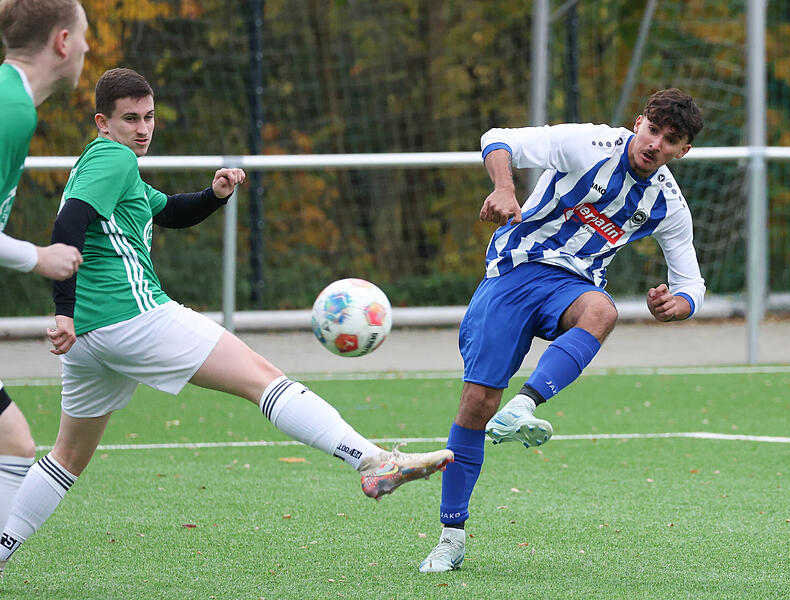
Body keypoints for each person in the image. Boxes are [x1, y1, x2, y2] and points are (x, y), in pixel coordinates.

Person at [0, 67, 453, 577]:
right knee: (263, 379)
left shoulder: (104, 165)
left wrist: (214, 195)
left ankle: (1, 549)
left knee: (66, 457)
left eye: (149, 117)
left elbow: (169, 211)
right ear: (103, 122)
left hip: (90, 334)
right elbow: (68, 224)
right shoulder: (114, 157)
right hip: (131, 315)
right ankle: (372, 461)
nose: (143, 129)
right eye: (130, 119)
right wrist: (60, 308)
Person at [419, 88, 705, 572]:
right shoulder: (589, 144)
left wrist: (677, 305)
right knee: (476, 404)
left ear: (683, 151)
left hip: (573, 285)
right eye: (653, 130)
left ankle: (523, 405)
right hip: (515, 270)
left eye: (670, 139)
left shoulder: (668, 204)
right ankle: (451, 537)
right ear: (639, 122)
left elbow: (691, 283)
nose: (656, 143)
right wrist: (505, 188)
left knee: (603, 312)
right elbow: (497, 139)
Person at [0, 0, 88, 540]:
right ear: (62, 41)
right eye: (83, 36)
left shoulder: (12, 101)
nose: (87, 48)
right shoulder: (11, 109)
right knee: (12, 442)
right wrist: (41, 257)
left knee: (11, 441)